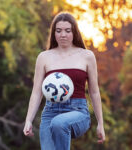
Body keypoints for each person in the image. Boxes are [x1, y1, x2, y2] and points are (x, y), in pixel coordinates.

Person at [23, 12, 105, 150]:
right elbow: (37, 92)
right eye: (58, 30)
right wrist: (28, 120)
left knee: (59, 123)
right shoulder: (44, 57)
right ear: (54, 33)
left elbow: (94, 92)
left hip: (78, 111)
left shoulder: (87, 56)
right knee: (55, 123)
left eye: (68, 30)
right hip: (50, 111)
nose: (63, 35)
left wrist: (101, 124)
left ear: (74, 32)